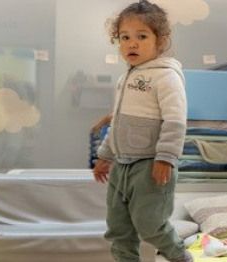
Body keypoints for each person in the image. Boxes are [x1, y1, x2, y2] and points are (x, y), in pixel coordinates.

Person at [91, 1, 190, 261]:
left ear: (161, 41)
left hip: (150, 165)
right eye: (125, 37)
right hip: (122, 166)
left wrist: (166, 157)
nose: (131, 44)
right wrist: (105, 156)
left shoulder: (166, 76)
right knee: (118, 228)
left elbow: (175, 120)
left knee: (150, 224)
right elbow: (118, 122)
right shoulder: (125, 78)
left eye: (142, 36)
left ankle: (181, 256)